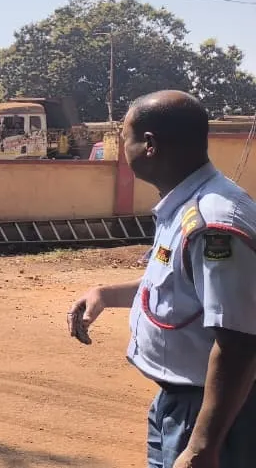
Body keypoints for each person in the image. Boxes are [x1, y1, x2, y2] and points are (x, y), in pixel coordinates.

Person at [68, 90, 256, 468]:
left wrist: (202, 445)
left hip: (209, 409)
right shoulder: (185, 207)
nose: (124, 150)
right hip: (180, 401)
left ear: (149, 145)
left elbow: (237, 338)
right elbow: (181, 287)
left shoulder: (212, 223)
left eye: (125, 139)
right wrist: (105, 294)